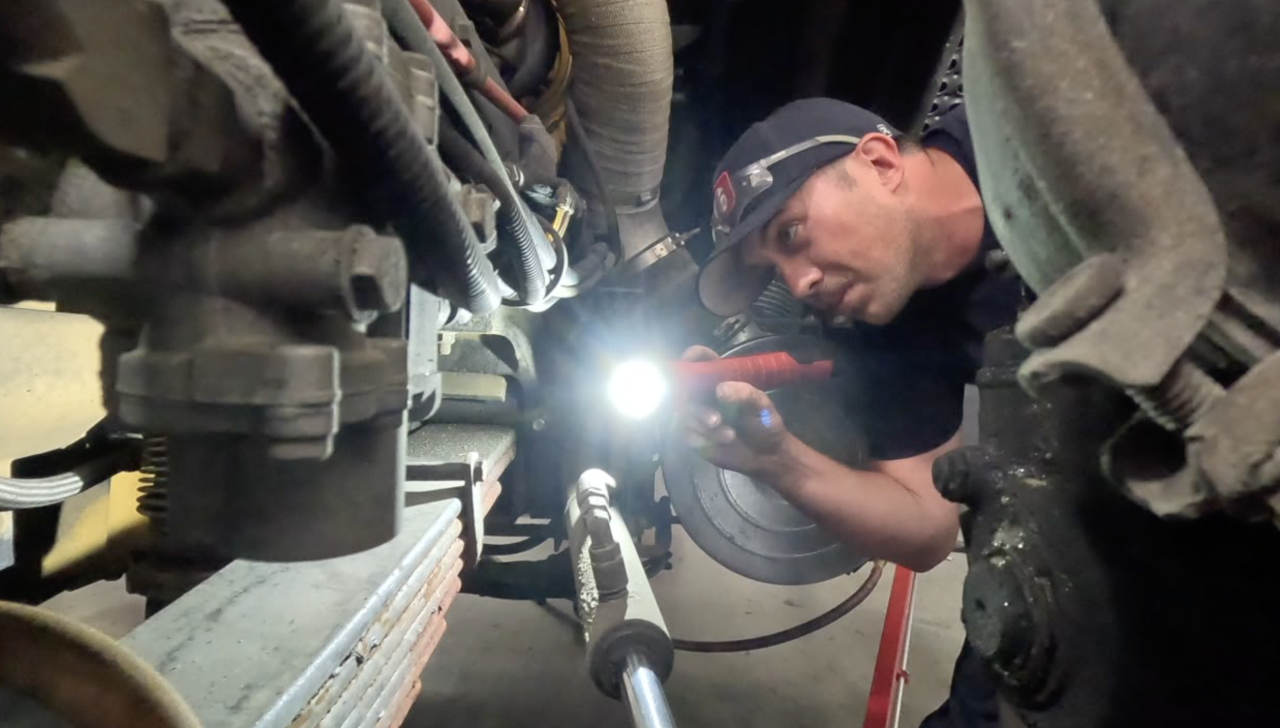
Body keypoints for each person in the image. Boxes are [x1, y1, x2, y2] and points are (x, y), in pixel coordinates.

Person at [683, 97, 1022, 727]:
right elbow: (925, 527)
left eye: (790, 233)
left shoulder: (1035, 129)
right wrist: (777, 460)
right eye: (773, 269)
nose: (798, 282)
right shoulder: (883, 329)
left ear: (880, 161)